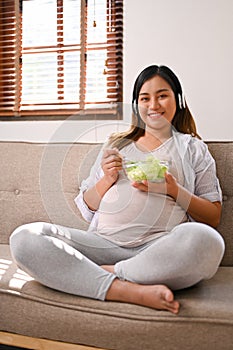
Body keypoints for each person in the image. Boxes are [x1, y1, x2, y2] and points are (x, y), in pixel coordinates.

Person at [10, 65, 225, 314]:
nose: (153, 104)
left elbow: (213, 216)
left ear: (177, 100)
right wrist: (106, 179)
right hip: (101, 245)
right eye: (145, 98)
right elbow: (87, 206)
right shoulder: (116, 144)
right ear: (136, 105)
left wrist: (173, 190)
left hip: (158, 248)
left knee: (207, 242)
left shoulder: (194, 148)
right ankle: (128, 289)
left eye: (162, 95)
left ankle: (108, 274)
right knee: (25, 237)